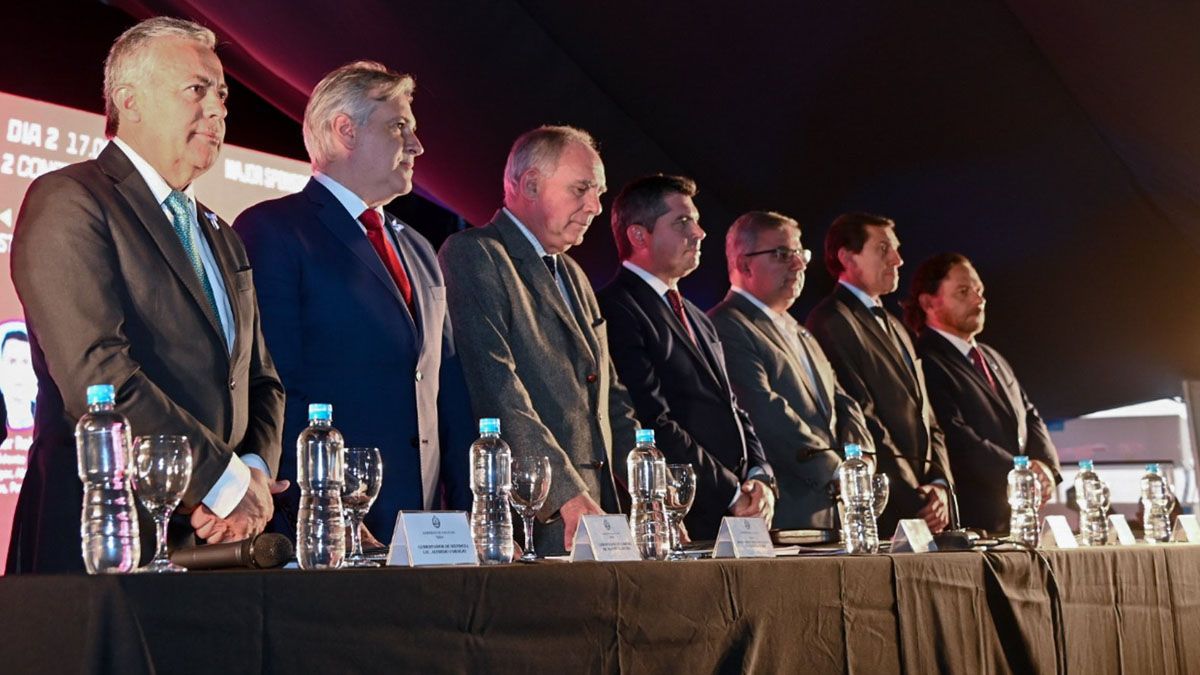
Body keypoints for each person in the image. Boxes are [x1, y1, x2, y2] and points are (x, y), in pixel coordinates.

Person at [7, 17, 285, 573]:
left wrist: (252, 473)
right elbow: (98, 378)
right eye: (197, 89)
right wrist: (222, 483)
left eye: (223, 94)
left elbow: (260, 379)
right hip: (106, 543)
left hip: (218, 545)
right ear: (129, 100)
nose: (218, 109)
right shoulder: (69, 199)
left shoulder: (220, 234)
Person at [234, 62, 473, 543]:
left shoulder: (421, 249)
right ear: (345, 130)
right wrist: (326, 509)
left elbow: (447, 389)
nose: (417, 145)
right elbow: (277, 385)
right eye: (399, 127)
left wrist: (475, 513)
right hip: (330, 529)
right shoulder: (274, 230)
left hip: (426, 531)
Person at [438, 125, 640, 555]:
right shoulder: (475, 254)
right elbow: (497, 388)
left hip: (597, 514)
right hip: (531, 516)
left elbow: (610, 396)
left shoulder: (574, 273)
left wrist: (650, 497)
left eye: (600, 193)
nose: (595, 206)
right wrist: (564, 493)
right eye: (582, 189)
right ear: (530, 184)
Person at [598, 175, 775, 540]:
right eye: (682, 222)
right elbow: (651, 419)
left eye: (695, 220)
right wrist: (728, 492)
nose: (699, 233)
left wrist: (759, 476)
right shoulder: (616, 308)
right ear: (638, 235)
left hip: (736, 512)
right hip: (681, 515)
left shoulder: (696, 315)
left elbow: (732, 407)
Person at [709, 211, 871, 530]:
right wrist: (835, 471)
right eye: (782, 254)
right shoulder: (726, 325)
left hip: (834, 511)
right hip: (787, 512)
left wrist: (861, 459)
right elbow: (763, 410)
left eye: (800, 254)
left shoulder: (799, 329)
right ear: (744, 264)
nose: (798, 265)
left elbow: (842, 400)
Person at [805, 212, 951, 536]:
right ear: (846, 257)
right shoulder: (831, 320)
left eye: (896, 249)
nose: (898, 260)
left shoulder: (897, 324)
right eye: (883, 249)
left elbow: (927, 415)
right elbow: (862, 415)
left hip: (927, 504)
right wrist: (912, 498)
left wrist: (940, 486)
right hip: (887, 507)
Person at [904, 252, 1060, 533]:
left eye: (979, 290)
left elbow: (1030, 414)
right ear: (928, 302)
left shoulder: (991, 356)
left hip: (1016, 516)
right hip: (970, 519)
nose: (978, 300)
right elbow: (954, 433)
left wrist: (1046, 467)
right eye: (963, 292)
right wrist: (1020, 473)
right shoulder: (924, 358)